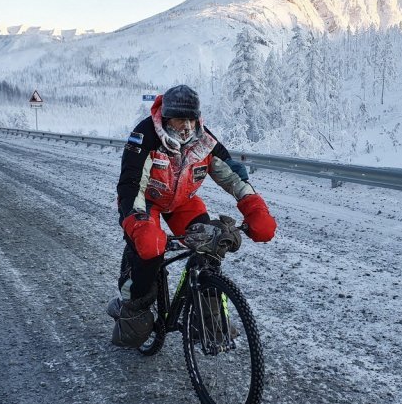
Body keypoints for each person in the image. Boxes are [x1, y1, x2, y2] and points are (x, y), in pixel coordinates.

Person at [108, 85, 277, 347]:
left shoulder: (204, 141)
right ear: (165, 118)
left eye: (191, 119)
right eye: (179, 119)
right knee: (149, 251)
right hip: (146, 203)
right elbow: (131, 186)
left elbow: (232, 176)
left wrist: (255, 208)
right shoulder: (144, 136)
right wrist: (137, 222)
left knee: (210, 245)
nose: (186, 126)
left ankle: (208, 319)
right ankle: (133, 307)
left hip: (183, 203)